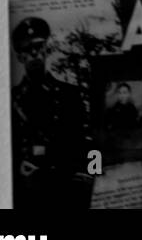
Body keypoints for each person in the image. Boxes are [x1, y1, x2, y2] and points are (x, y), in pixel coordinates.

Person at [11, 17, 95, 209]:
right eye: (26, 49)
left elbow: (91, 142)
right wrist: (17, 170)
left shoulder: (70, 94)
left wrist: (92, 174)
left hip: (65, 191)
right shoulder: (12, 100)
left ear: (46, 48)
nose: (34, 53)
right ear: (19, 57)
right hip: (26, 196)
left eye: (38, 46)